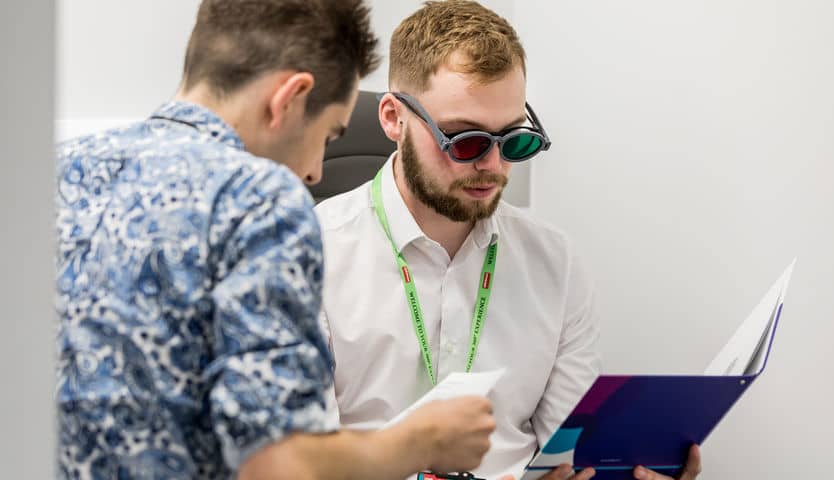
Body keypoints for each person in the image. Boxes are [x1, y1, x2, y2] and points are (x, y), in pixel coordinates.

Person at [55, 1, 498, 479]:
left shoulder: (52, 171)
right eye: (330, 135)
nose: (313, 172)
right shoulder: (259, 198)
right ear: (289, 99)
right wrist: (424, 439)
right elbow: (281, 465)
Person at [315, 1, 703, 479]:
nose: (494, 166)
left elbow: (570, 455)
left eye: (514, 140)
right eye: (465, 141)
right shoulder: (310, 257)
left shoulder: (554, 262)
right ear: (394, 118)